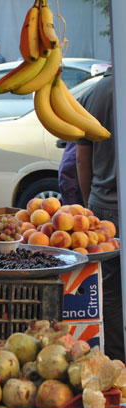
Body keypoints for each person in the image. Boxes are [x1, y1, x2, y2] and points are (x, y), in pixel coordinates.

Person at [76, 68, 122, 361]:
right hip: (106, 206)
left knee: (111, 294)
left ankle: (119, 361)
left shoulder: (96, 92)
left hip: (104, 208)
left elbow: (83, 157)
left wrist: (88, 205)